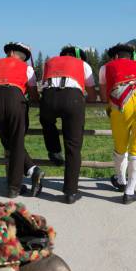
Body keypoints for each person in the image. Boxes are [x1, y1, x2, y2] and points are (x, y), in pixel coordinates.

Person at [40, 45, 97, 204]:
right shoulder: (82, 64)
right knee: (73, 146)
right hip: (72, 98)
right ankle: (70, 192)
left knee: (46, 121)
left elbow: (43, 83)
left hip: (49, 97)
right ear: (79, 57)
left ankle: (54, 150)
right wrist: (88, 101)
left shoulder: (50, 62)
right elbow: (91, 92)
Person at [99, 43, 136, 204]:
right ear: (130, 56)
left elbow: (104, 94)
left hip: (121, 104)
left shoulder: (106, 67)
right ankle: (129, 192)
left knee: (120, 147)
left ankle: (121, 182)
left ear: (115, 56)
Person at [0, 42, 44, 199]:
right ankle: (14, 187)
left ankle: (32, 170)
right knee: (16, 141)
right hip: (15, 97)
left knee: (8, 141)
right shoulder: (27, 68)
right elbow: (33, 93)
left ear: (11, 52)